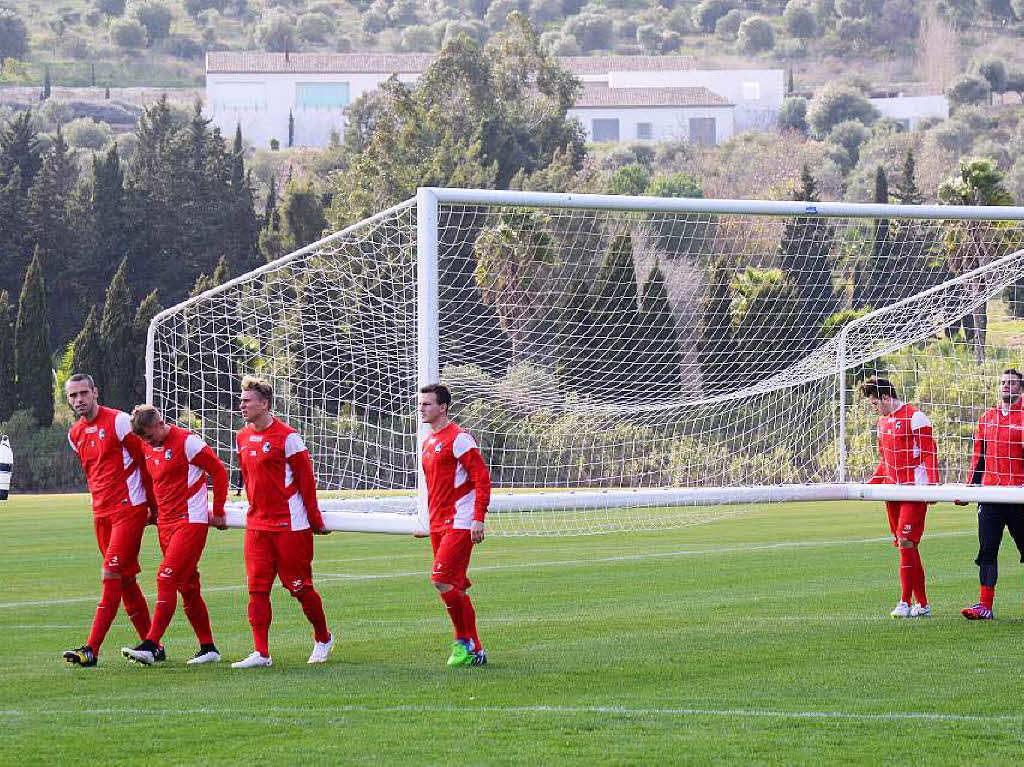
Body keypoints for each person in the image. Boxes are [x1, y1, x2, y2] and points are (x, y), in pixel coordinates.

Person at [231, 375, 333, 669]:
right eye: (241, 400)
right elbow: (249, 478)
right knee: (257, 589)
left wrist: (314, 519)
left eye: (247, 401)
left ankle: (323, 638)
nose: (242, 405)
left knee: (300, 588)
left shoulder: (288, 437)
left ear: (264, 404)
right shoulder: (242, 436)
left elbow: (306, 482)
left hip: (291, 527)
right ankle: (261, 653)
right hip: (257, 527)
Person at [121, 405, 229, 665]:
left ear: (160, 423)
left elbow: (219, 471)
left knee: (165, 577)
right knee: (188, 587)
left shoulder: (188, 442)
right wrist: (152, 512)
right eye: (143, 439)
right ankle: (208, 648)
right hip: (165, 524)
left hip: (189, 521)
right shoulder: (147, 445)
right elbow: (156, 483)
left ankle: (151, 644)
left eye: (149, 436)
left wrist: (218, 510)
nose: (147, 442)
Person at [62, 374, 155, 667]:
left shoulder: (118, 421)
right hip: (100, 514)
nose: (79, 400)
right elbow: (94, 474)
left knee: (111, 576)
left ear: (95, 392)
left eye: (83, 393)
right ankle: (154, 645)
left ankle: (91, 649)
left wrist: (154, 506)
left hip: (129, 510)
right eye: (73, 395)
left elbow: (144, 461)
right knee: (125, 580)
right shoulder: (74, 434)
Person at [419, 383, 491, 667]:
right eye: (421, 403)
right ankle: (476, 650)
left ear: (443, 407)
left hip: (460, 522)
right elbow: (435, 490)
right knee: (455, 588)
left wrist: (477, 517)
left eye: (427, 404)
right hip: (438, 523)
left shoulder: (460, 439)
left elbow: (481, 480)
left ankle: (462, 642)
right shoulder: (427, 443)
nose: (421, 408)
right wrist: (426, 523)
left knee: (440, 580)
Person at [862, 376, 940, 619]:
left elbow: (929, 453)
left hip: (914, 490)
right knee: (907, 547)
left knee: (906, 541)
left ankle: (905, 602)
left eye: (875, 403)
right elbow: (885, 462)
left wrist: (934, 486)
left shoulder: (915, 416)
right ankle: (923, 605)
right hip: (891, 491)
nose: (874, 408)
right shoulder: (882, 423)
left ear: (886, 397)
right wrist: (869, 484)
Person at [956, 369, 1024, 620]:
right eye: (1004, 382)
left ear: (1021, 388)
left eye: (1012, 383)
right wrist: (968, 489)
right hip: (991, 495)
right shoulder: (987, 419)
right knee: (987, 550)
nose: (1006, 386)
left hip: (1019, 497)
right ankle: (985, 606)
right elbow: (979, 459)